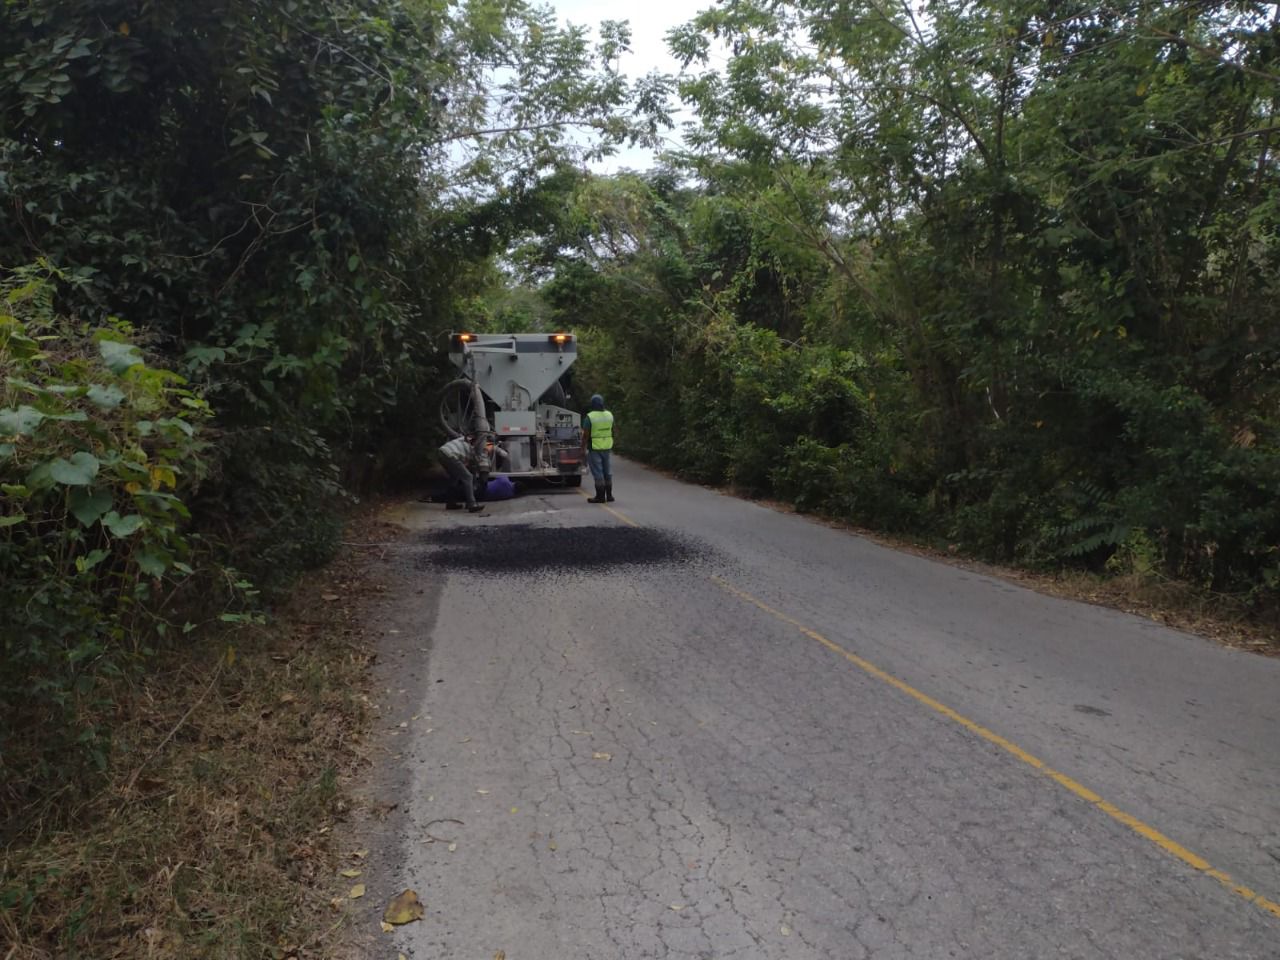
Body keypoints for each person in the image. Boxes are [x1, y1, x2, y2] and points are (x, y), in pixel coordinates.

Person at [581, 393, 615, 503]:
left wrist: (583, 448)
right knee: (607, 472)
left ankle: (600, 497)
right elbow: (614, 430)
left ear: (592, 404)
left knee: (598, 473)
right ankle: (609, 496)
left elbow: (586, 435)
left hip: (594, 448)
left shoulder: (590, 417)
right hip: (607, 447)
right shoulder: (609, 415)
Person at [437, 435, 485, 513]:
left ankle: (450, 503)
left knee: (454, 477)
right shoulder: (470, 447)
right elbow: (471, 464)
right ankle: (472, 504)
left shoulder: (462, 439)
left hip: (441, 452)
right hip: (450, 455)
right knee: (468, 477)